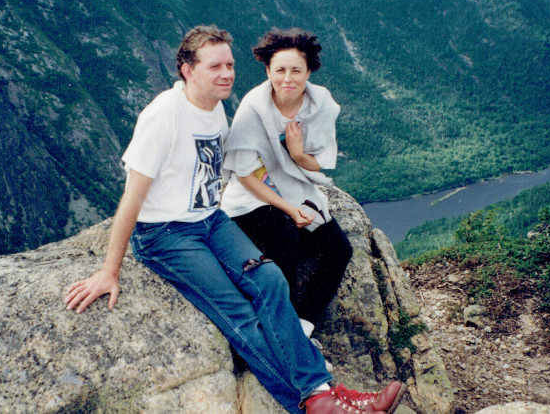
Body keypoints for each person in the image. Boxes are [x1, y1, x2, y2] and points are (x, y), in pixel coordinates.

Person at [64, 25, 403, 414]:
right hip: (167, 235)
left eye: (230, 64)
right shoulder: (164, 116)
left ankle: (322, 391)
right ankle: (316, 401)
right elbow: (131, 199)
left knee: (272, 281)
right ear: (187, 70)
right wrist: (110, 270)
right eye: (214, 66)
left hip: (211, 220)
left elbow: (240, 168)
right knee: (239, 314)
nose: (226, 73)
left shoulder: (215, 110)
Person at [221, 29, 352, 339]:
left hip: (294, 187)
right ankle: (281, 324)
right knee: (284, 233)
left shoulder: (318, 104)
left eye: (297, 70)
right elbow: (244, 174)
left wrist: (296, 153)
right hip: (251, 199)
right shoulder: (254, 108)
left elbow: (317, 162)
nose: (287, 79)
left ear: (309, 71)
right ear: (268, 71)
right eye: (279, 70)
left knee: (339, 250)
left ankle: (303, 323)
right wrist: (290, 210)